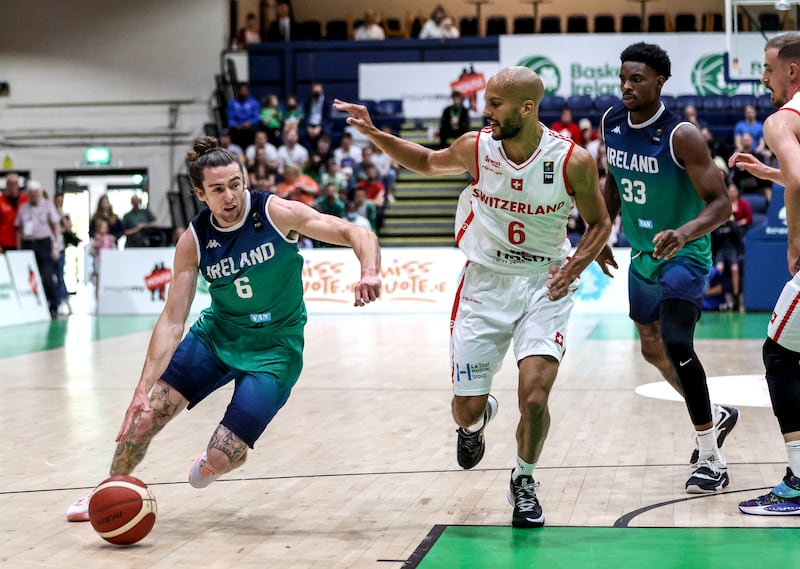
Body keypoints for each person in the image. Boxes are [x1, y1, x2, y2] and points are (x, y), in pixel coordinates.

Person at [334, 65, 611, 528]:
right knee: (466, 408)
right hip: (485, 281)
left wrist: (577, 264)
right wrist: (373, 132)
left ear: (527, 107)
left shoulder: (572, 161)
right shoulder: (476, 147)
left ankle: (524, 480)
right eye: (486, 102)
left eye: (496, 104)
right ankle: (477, 421)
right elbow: (424, 162)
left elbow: (599, 222)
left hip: (545, 284)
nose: (487, 112)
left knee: (536, 399)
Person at [65, 136, 381, 522]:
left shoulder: (276, 213)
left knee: (219, 456)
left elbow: (357, 233)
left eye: (236, 184)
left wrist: (368, 271)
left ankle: (214, 460)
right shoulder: (193, 240)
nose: (230, 196)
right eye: (218, 189)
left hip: (275, 350)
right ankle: (107, 490)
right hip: (216, 337)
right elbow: (172, 319)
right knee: (145, 417)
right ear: (200, 193)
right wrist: (140, 390)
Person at [596, 42, 737, 494]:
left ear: (660, 82)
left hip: (684, 253)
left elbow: (723, 205)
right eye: (623, 78)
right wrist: (599, 234)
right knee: (651, 349)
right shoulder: (611, 122)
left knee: (677, 342)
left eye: (637, 79)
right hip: (642, 256)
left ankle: (711, 459)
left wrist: (684, 232)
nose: (627, 86)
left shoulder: (682, 135)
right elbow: (613, 182)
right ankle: (715, 416)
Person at [727, 32, 800, 515]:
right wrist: (771, 174)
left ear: (791, 71)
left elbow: (799, 178)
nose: (762, 77)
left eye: (767, 68)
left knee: (778, 354)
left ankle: (796, 482)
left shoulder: (780, 120)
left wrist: (795, 242)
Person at [14, 180, 61, 319]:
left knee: (47, 276)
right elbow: (18, 230)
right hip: (28, 244)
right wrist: (18, 249)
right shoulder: (23, 208)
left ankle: (53, 306)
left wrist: (55, 246)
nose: (34, 196)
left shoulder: (47, 205)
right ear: (28, 194)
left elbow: (56, 226)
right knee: (29, 277)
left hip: (44, 243)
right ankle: (33, 306)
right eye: (31, 194)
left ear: (40, 193)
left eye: (36, 193)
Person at [0, 173, 29, 252]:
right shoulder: (1, 201)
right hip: (6, 243)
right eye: (10, 183)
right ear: (6, 185)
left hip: (24, 241)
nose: (12, 185)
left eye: (15, 183)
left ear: (18, 184)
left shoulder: (26, 200)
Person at [227, 83, 260, 150]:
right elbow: (230, 118)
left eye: (245, 90)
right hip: (237, 130)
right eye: (242, 90)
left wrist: (250, 123)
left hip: (249, 130)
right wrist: (235, 125)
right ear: (238, 91)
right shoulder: (232, 103)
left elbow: (256, 117)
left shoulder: (254, 103)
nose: (243, 92)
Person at [90, 218, 117, 299]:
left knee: (108, 281)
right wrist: (97, 244)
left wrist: (112, 242)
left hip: (108, 264)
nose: (103, 229)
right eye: (102, 227)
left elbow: (114, 250)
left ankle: (107, 299)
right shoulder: (95, 238)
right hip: (99, 263)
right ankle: (98, 300)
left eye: (105, 227)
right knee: (98, 282)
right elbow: (91, 250)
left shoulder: (109, 238)